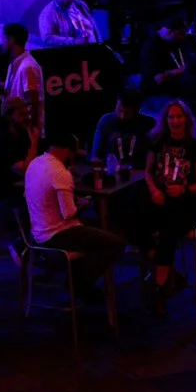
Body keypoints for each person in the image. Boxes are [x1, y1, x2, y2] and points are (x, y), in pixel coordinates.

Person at [24, 124, 122, 293]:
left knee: (97, 231)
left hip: (37, 232)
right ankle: (78, 285)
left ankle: (76, 280)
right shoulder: (60, 172)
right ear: (66, 150)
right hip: (57, 234)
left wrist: (73, 200)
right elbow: (69, 213)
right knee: (116, 244)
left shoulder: (35, 163)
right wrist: (83, 204)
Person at [139, 100, 196, 308]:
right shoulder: (158, 141)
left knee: (168, 232)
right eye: (171, 117)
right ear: (166, 120)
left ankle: (159, 290)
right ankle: (169, 274)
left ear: (186, 120)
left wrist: (183, 189)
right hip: (161, 199)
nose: (175, 121)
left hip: (186, 203)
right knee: (137, 222)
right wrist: (153, 190)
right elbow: (148, 172)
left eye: (179, 117)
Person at [92, 83, 156, 174]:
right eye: (119, 110)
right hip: (112, 172)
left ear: (136, 110)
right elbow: (96, 154)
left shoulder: (148, 124)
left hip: (139, 173)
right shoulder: (106, 121)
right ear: (116, 104)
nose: (122, 116)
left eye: (127, 113)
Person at [0, 22, 45, 133]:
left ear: (11, 40)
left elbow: (33, 101)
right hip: (16, 131)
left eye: (3, 39)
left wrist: (31, 131)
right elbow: (17, 95)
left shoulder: (27, 66)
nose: (1, 43)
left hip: (25, 133)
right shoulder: (14, 63)